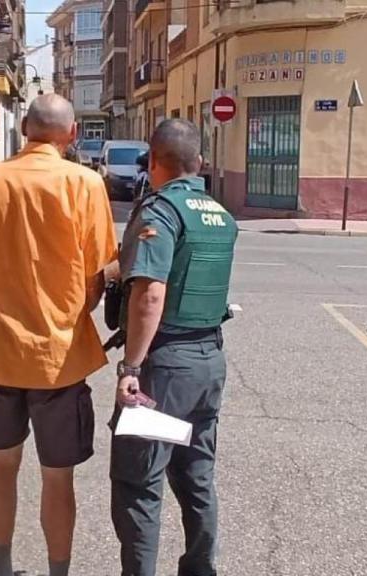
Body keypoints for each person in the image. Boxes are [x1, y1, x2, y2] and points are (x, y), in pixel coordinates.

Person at [0, 94, 119, 576]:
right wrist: (80, 306)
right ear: (72, 135)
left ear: (25, 129)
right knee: (58, 479)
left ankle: (1, 568)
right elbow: (100, 268)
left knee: (2, 465)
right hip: (59, 354)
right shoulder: (85, 182)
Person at [110, 119, 238, 576]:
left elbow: (150, 294)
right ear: (199, 163)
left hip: (164, 368)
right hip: (209, 363)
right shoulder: (220, 214)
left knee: (139, 484)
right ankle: (200, 569)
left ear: (154, 160)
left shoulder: (159, 211)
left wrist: (131, 367)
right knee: (196, 477)